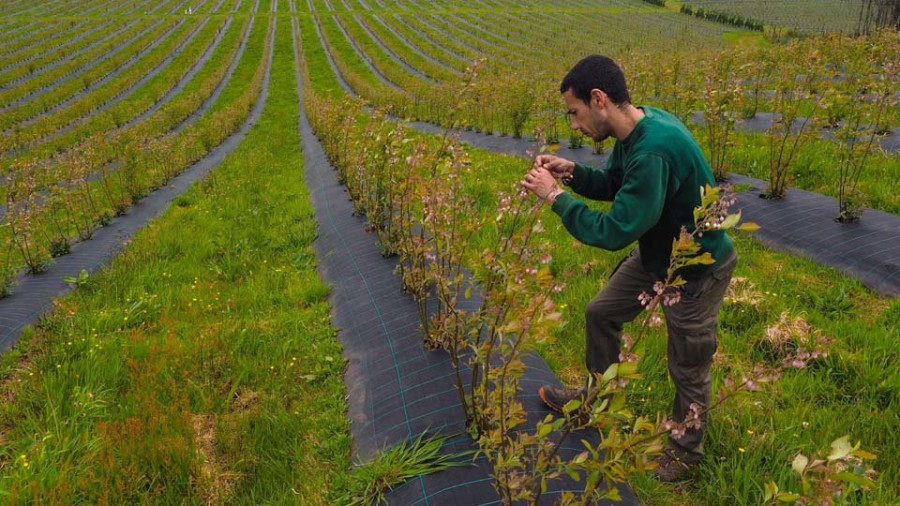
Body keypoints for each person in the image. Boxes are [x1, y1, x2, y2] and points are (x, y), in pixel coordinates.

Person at [520, 55, 737, 482]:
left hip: (695, 268)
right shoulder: (638, 127)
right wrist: (573, 173)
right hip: (660, 252)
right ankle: (597, 399)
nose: (575, 126)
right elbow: (621, 188)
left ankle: (685, 450)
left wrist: (554, 198)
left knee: (688, 363)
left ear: (598, 99)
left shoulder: (654, 148)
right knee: (601, 313)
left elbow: (616, 229)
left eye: (575, 113)